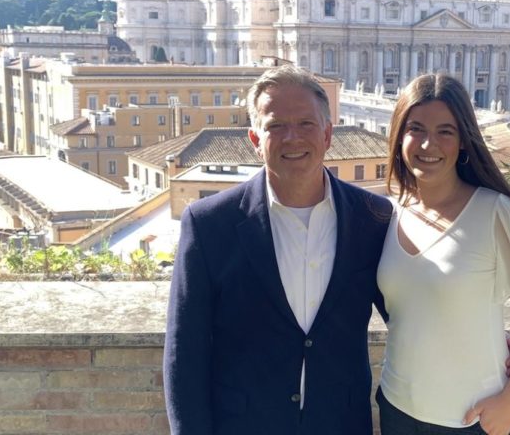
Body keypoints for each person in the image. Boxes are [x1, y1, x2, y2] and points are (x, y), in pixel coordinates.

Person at [163, 65, 391, 434]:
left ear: (328, 134)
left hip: (341, 424)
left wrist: (491, 344)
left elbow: (410, 310)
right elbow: (184, 352)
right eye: (275, 126)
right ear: (254, 138)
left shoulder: (374, 218)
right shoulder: (208, 225)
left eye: (305, 124)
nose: (292, 137)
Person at [376, 73, 510, 435]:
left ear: (464, 141)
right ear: (398, 136)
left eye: (445, 131)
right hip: (397, 408)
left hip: (472, 418)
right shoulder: (387, 215)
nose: (428, 144)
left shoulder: (495, 213)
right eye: (416, 128)